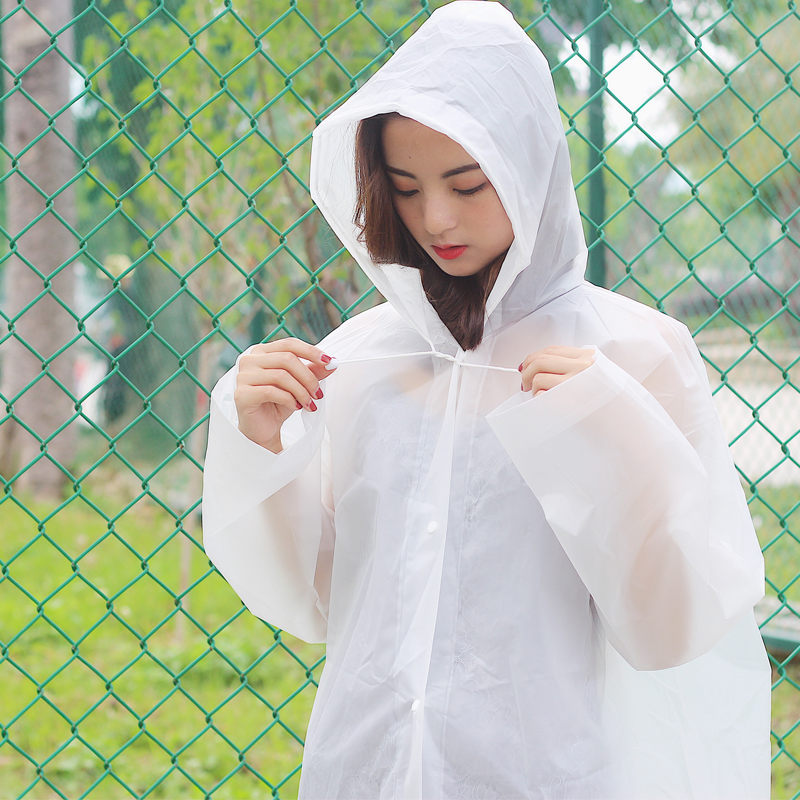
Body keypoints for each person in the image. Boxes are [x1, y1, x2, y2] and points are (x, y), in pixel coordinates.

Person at [202, 3, 770, 797]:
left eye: (468, 184)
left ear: (529, 164)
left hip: (546, 774)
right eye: (405, 187)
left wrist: (608, 431)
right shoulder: (358, 360)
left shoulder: (633, 354)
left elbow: (677, 623)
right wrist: (263, 448)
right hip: (365, 768)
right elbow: (329, 601)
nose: (436, 219)